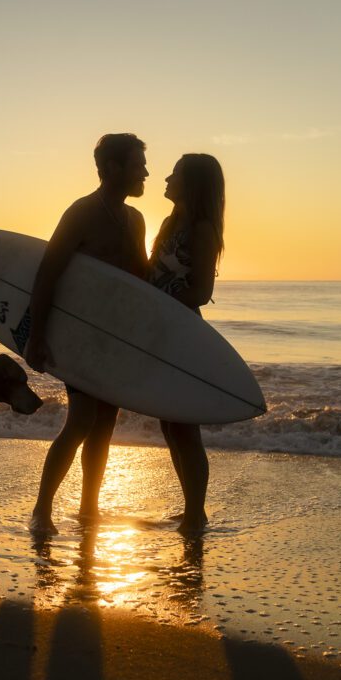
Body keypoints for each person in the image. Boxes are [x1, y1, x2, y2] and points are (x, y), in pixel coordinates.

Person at [26, 133, 149, 536]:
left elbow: (139, 281)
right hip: (79, 337)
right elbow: (47, 274)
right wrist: (36, 334)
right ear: (111, 168)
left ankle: (88, 508)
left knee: (105, 426)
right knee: (80, 421)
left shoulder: (135, 219)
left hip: (114, 340)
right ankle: (41, 510)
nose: (144, 171)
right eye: (136, 164)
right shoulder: (81, 213)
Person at [149, 153, 226, 535]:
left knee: (185, 428)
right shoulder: (170, 222)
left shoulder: (202, 229)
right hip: (159, 332)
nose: (166, 177)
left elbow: (200, 292)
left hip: (184, 335)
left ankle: (197, 514)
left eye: (175, 173)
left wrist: (163, 303)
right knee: (169, 425)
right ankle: (191, 508)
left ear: (191, 183)